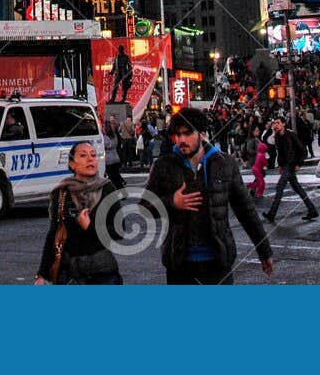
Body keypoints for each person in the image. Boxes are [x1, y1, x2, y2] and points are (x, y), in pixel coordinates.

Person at [143, 108, 273, 285]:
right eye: (177, 135)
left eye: (188, 134)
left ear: (202, 135)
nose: (181, 140)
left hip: (218, 261)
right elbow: (145, 207)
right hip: (180, 264)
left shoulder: (225, 163)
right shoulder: (164, 165)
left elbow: (246, 210)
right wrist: (171, 202)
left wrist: (264, 251)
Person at [35, 142, 123, 285]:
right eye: (83, 155)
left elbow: (119, 231)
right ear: (72, 164)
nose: (90, 159)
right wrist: (42, 274)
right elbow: (54, 233)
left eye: (93, 155)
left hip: (102, 271)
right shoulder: (62, 191)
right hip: (69, 271)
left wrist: (89, 226)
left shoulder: (107, 188)